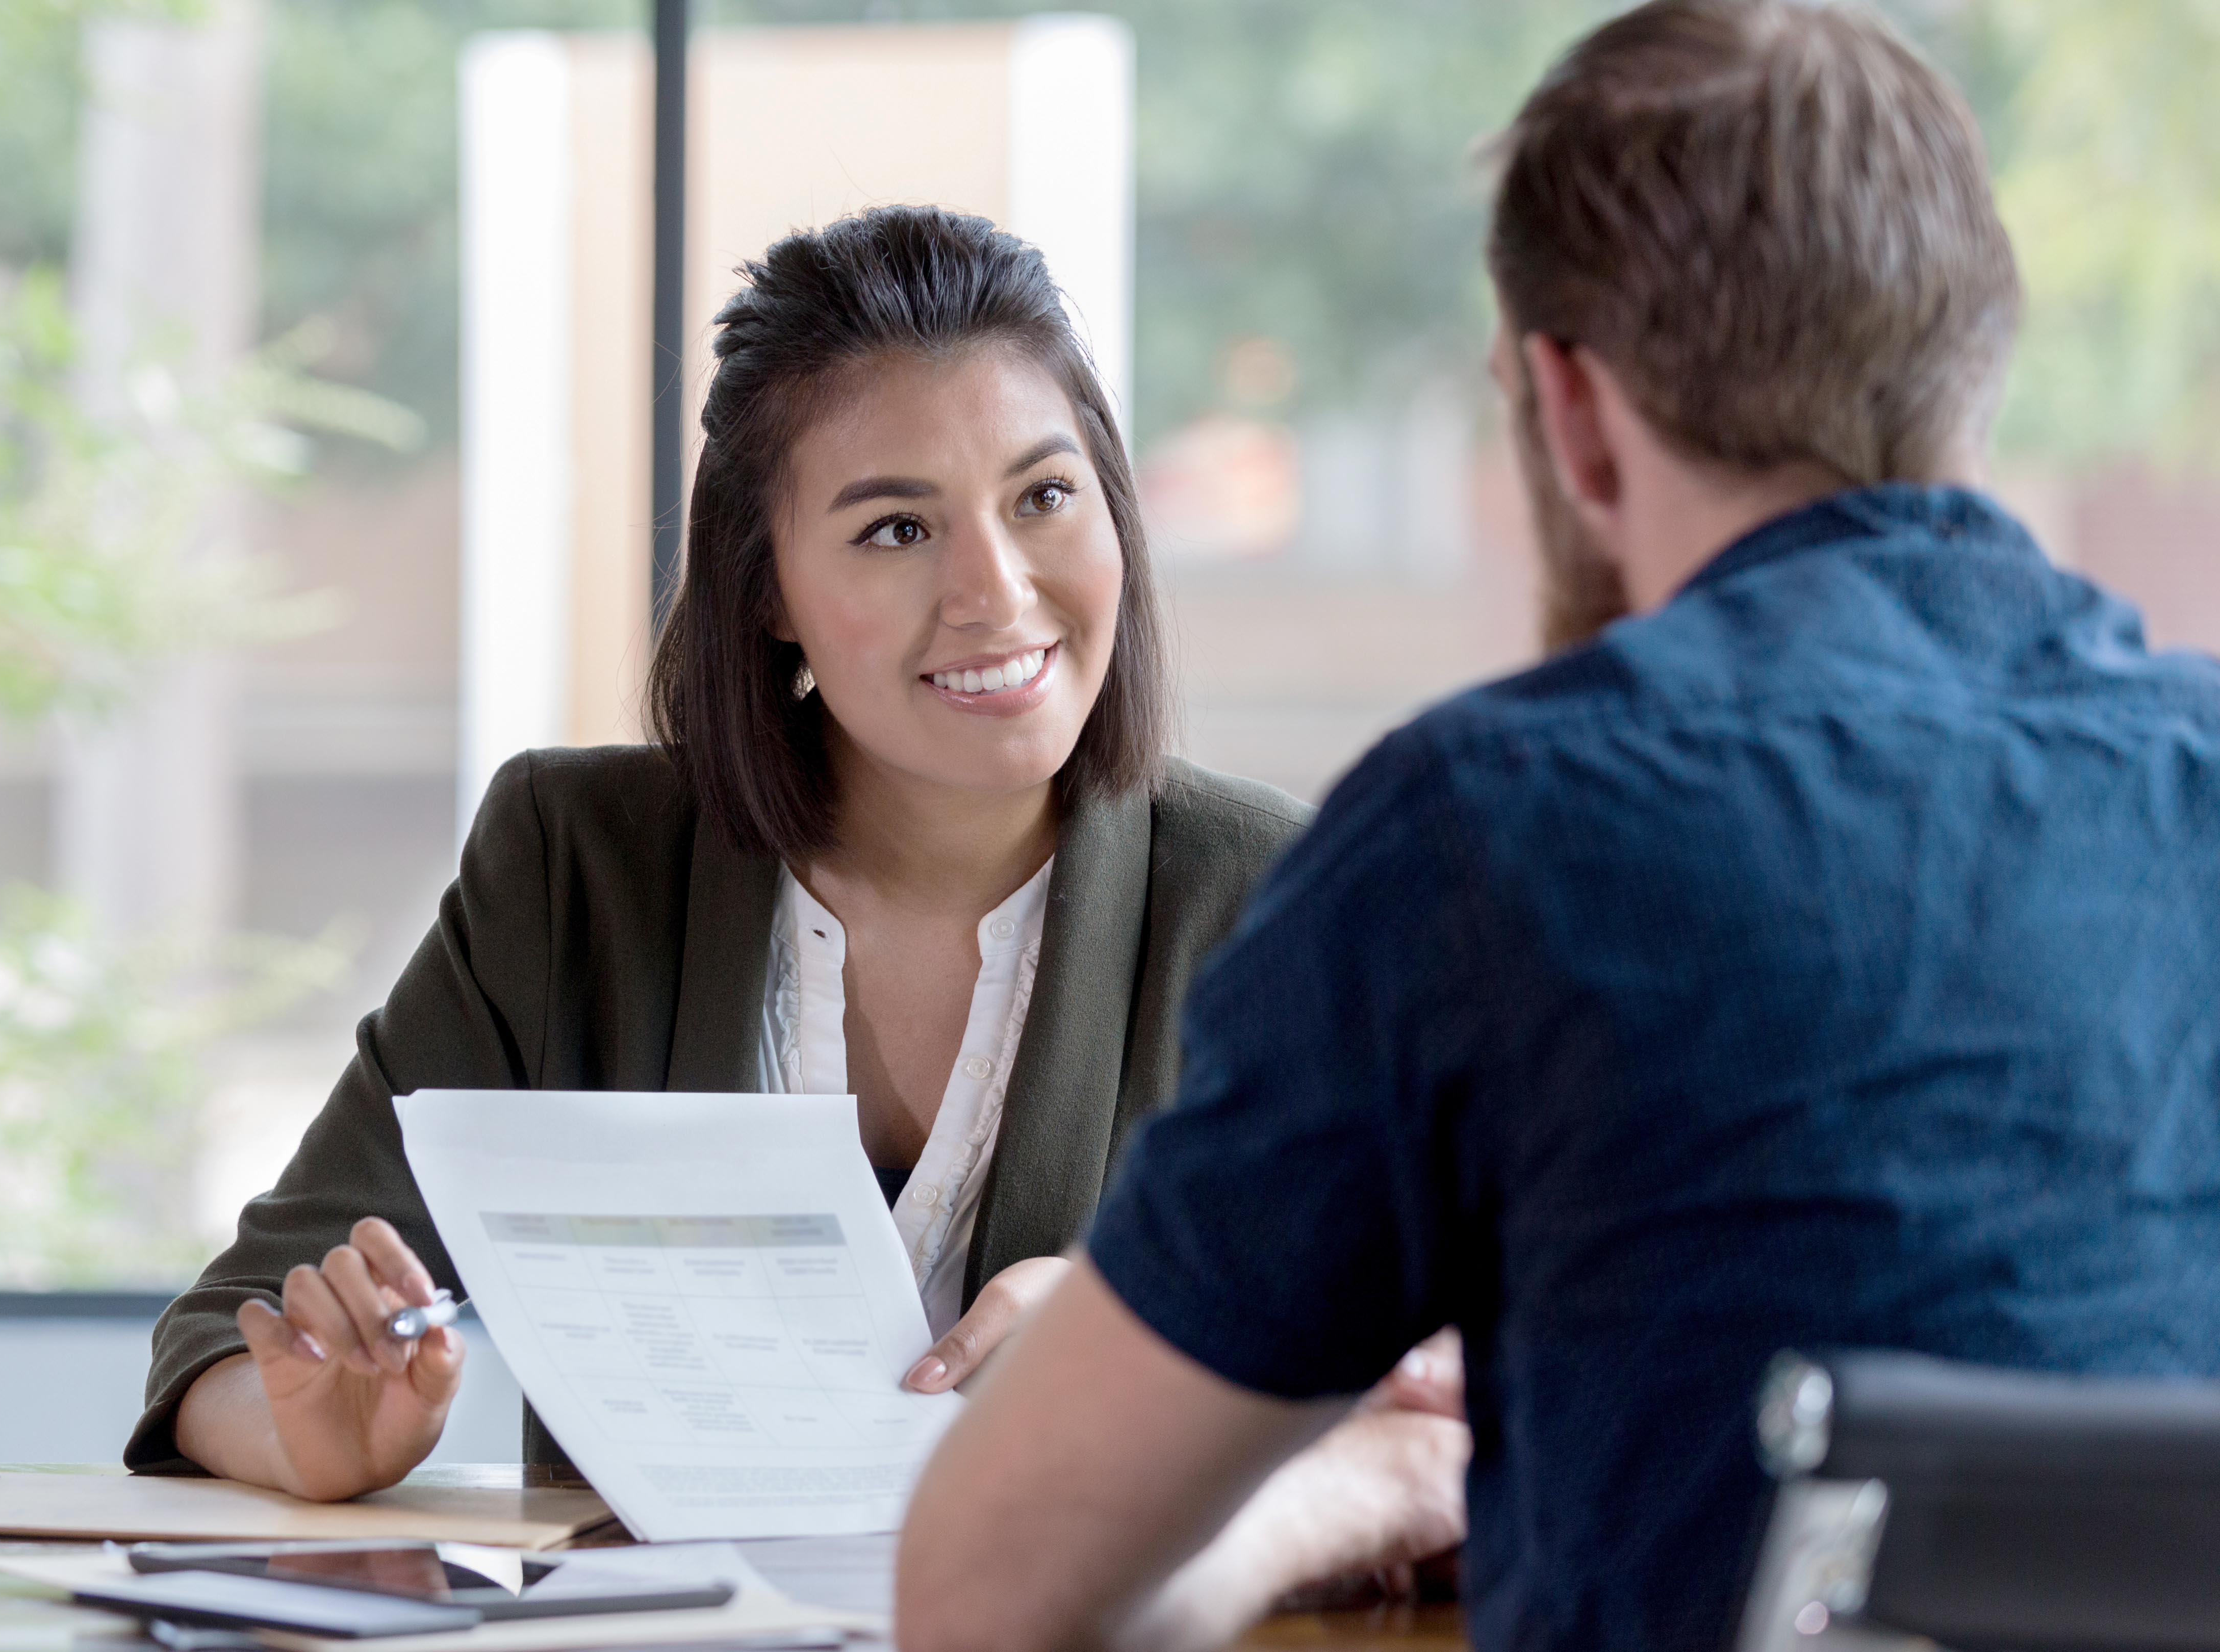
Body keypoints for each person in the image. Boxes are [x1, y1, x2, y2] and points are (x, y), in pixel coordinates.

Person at [896, 4, 2220, 1651]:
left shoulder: (1491, 838)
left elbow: (983, 1595)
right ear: (1978, 354)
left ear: (1571, 409)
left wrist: (1364, 1489)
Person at [126, 205, 1465, 1597]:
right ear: (769, 590)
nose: (995, 592)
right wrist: (304, 1436)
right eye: (896, 529)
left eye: (1044, 498)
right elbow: (229, 1332)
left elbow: (1443, 1385)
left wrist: (1156, 1343)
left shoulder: (1278, 902)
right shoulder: (578, 868)